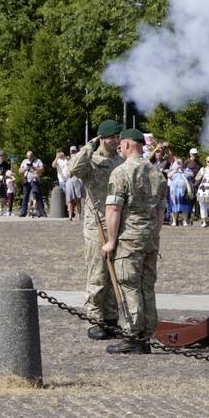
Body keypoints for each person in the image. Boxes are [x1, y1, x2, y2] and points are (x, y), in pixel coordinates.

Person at [102, 128, 167, 354]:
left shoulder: (121, 172)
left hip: (129, 238)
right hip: (150, 238)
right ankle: (146, 335)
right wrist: (153, 233)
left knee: (129, 285)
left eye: (121, 145)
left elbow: (113, 208)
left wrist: (110, 241)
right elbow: (160, 211)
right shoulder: (157, 173)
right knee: (146, 287)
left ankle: (132, 336)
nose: (119, 148)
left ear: (129, 145)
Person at [69, 120, 125, 340]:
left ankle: (111, 319)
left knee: (115, 274)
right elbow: (73, 168)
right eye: (113, 137)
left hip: (116, 223)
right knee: (98, 273)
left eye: (118, 137)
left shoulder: (119, 161)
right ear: (103, 138)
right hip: (96, 225)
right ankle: (94, 319)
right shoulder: (90, 162)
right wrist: (89, 146)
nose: (117, 140)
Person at [18, 151, 45, 217]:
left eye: (30, 157)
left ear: (33, 156)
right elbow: (20, 171)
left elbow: (42, 169)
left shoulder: (38, 161)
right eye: (28, 157)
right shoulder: (24, 161)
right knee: (25, 196)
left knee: (36, 195)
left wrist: (34, 167)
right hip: (26, 180)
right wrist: (26, 168)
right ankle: (23, 212)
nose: (29, 158)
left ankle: (41, 211)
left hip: (34, 180)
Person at [64, 146, 85, 221]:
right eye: (72, 152)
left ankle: (78, 215)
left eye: (74, 151)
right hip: (69, 180)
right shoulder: (67, 161)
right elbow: (67, 173)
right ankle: (70, 216)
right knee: (69, 200)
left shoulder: (79, 160)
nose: (73, 153)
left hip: (77, 180)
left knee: (78, 200)